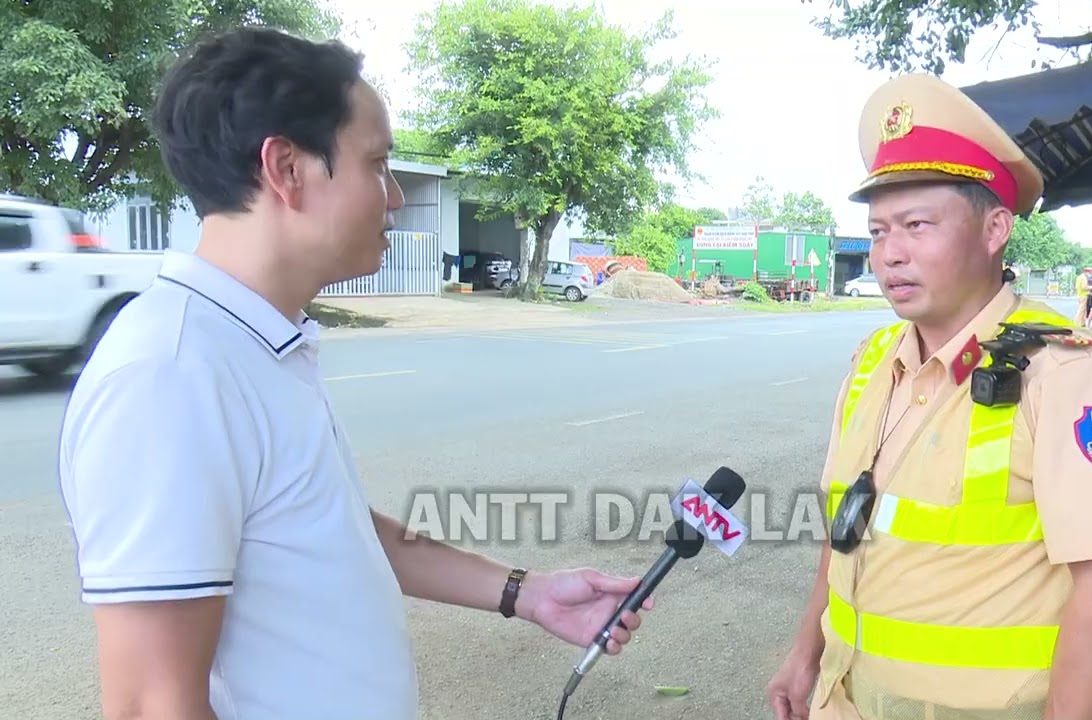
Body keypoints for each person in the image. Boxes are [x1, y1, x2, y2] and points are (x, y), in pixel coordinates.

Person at [56, 27, 650, 720]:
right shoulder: (172, 373)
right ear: (285, 169)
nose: (395, 196)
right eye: (376, 164)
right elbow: (149, 705)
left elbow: (325, 525)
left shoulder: (255, 342)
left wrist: (528, 591)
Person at [766, 73, 1092, 720]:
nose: (890, 254)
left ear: (994, 230)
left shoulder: (1069, 374)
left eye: (917, 225)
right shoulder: (873, 361)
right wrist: (804, 652)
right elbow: (848, 527)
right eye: (877, 232)